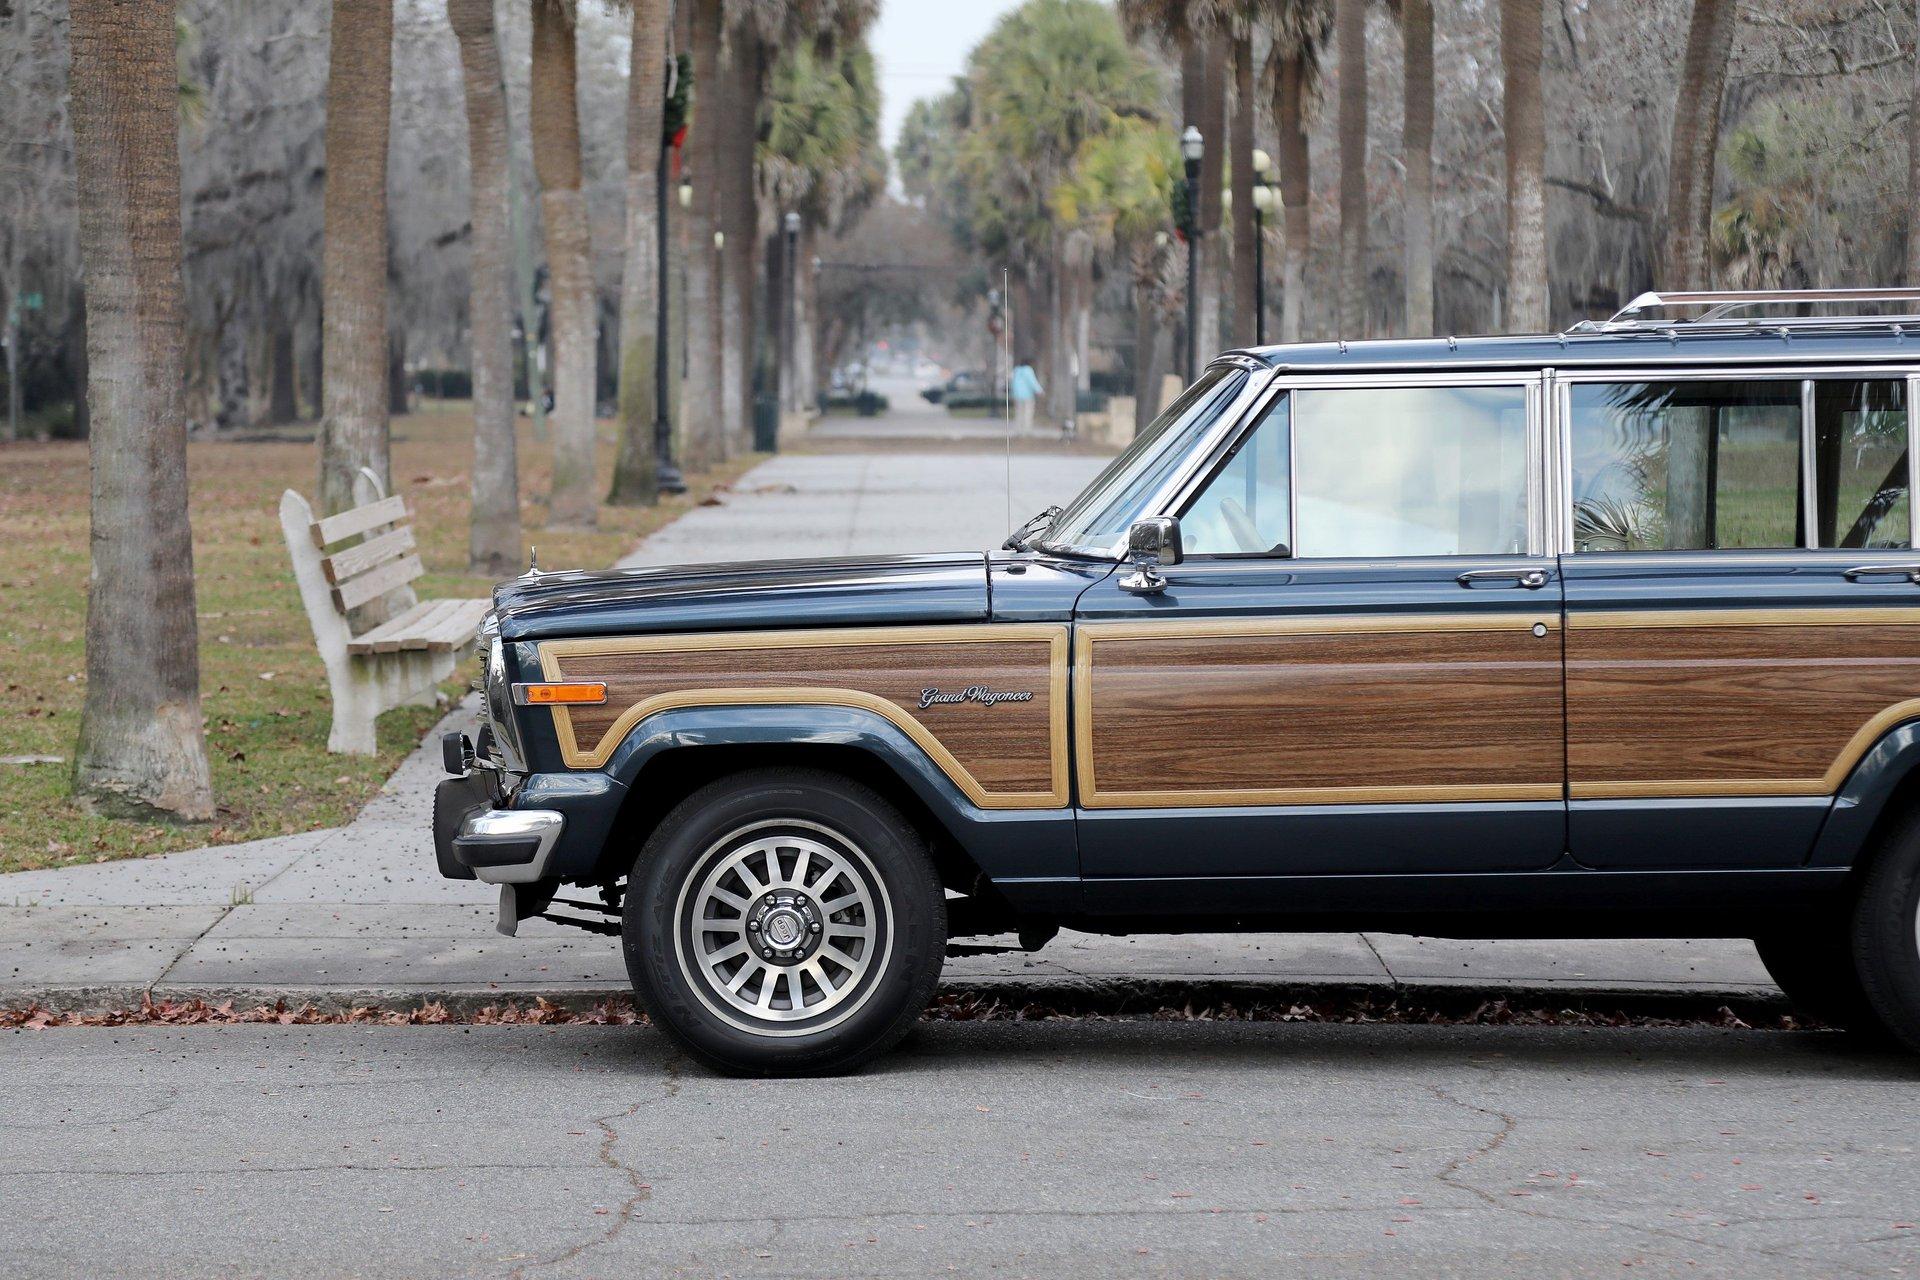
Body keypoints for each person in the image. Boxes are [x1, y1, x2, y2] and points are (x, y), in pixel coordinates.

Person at [1009, 357, 1042, 433]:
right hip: (1027, 395)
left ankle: (1018, 429)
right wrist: (1039, 391)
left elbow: (1012, 382)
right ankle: (1027, 430)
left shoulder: (1016, 370)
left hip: (1017, 395)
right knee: (1027, 412)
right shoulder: (1028, 370)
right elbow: (1032, 382)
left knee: (1019, 413)